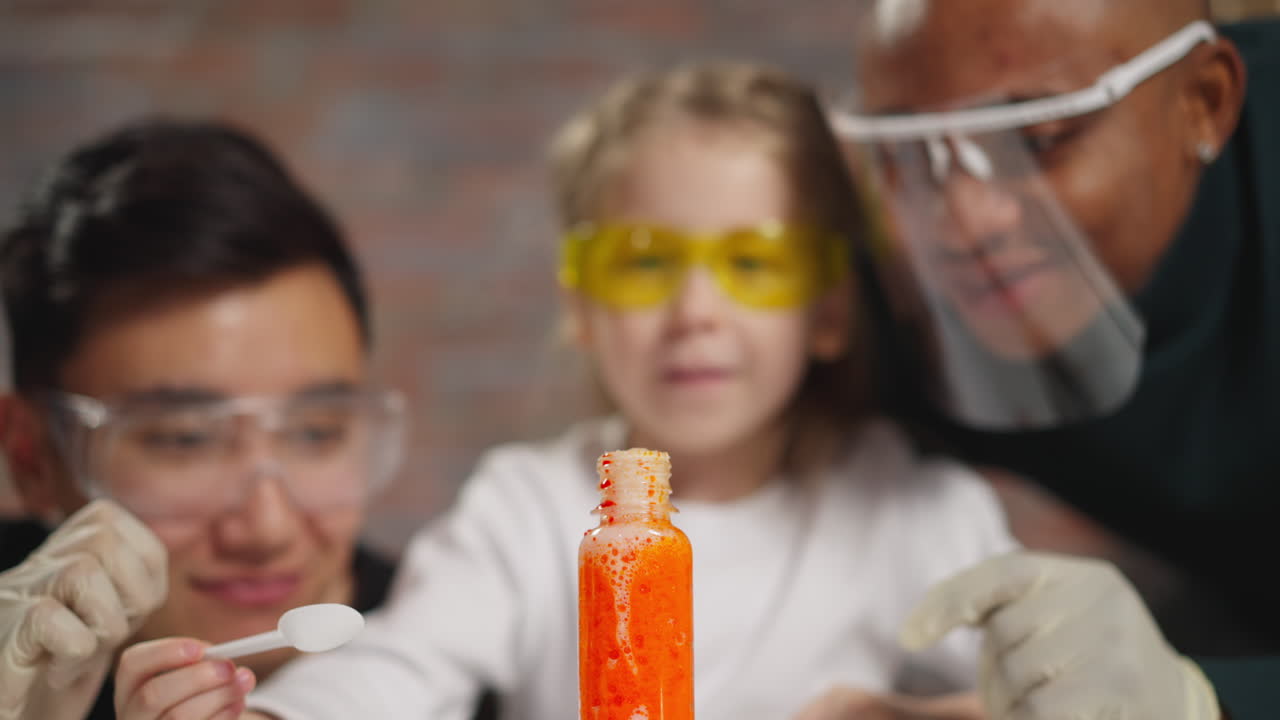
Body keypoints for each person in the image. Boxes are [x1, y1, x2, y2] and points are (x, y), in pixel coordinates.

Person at [119, 61, 1019, 720]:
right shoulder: (528, 510)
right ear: (581, 303)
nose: (695, 310)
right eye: (644, 262)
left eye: (753, 262)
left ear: (828, 312)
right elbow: (402, 663)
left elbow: (1047, 692)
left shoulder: (917, 514)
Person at [829, 0, 1279, 717]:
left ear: (1205, 102)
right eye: (906, 153)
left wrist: (1202, 698)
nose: (965, 222)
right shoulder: (888, 289)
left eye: (1038, 139)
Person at [0, 119, 407, 720]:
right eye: (184, 440)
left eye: (317, 432)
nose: (267, 530)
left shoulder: (466, 649)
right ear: (33, 456)